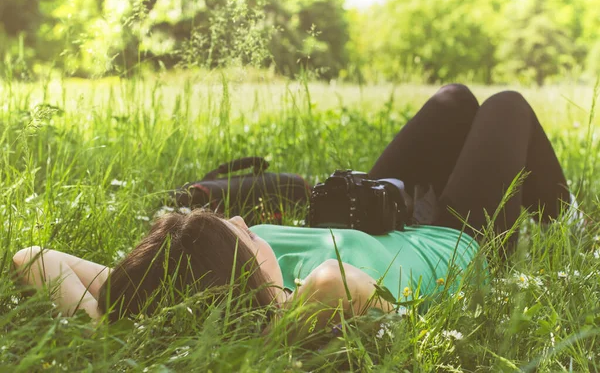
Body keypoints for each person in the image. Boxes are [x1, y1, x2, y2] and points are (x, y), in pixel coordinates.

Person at [12, 85, 576, 329]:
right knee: (506, 107)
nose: (240, 221)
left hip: (375, 215)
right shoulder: (311, 305)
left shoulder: (194, 273)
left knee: (454, 102)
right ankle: (568, 224)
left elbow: (31, 257)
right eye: (240, 234)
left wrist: (110, 318)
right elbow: (333, 280)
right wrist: (275, 314)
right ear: (250, 287)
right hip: (456, 238)